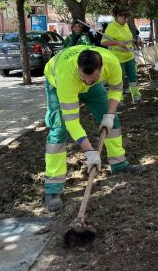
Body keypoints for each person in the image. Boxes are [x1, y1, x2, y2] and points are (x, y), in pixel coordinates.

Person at [43, 46, 146, 212]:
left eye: (93, 78)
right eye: (85, 78)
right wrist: (90, 152)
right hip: (58, 83)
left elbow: (116, 89)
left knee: (113, 121)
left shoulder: (111, 62)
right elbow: (72, 122)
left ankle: (119, 164)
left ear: (101, 68)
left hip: (89, 82)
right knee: (59, 130)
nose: (88, 82)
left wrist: (109, 115)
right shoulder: (66, 76)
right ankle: (53, 189)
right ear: (78, 69)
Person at [101, 7, 143, 104]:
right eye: (123, 18)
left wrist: (134, 41)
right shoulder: (111, 27)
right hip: (117, 58)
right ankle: (118, 99)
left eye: (126, 18)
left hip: (129, 56)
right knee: (118, 79)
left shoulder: (125, 25)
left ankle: (136, 96)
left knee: (133, 77)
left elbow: (127, 39)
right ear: (117, 16)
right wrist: (116, 43)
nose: (125, 20)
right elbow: (103, 42)